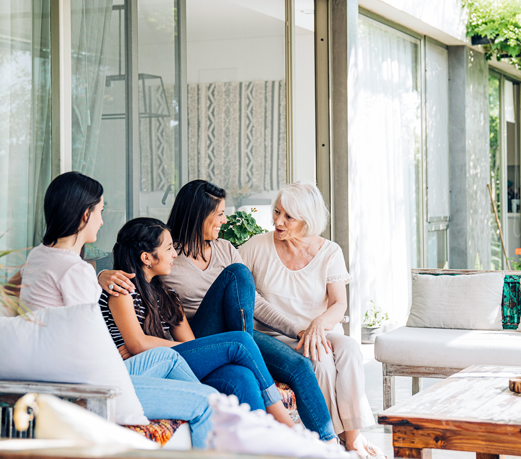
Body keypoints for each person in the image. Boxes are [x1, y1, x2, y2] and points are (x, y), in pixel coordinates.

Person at [19, 171, 215, 448]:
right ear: (85, 215)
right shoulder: (75, 271)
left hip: (55, 377)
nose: (102, 220)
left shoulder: (37, 257)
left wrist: (96, 276)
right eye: (100, 211)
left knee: (174, 362)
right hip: (87, 388)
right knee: (208, 401)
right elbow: (90, 343)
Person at [162, 180, 337, 443]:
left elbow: (256, 303)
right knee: (238, 274)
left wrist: (297, 330)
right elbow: (134, 277)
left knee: (299, 365)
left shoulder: (225, 249)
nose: (224, 219)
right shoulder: (167, 255)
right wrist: (104, 275)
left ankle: (328, 445)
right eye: (219, 213)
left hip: (240, 337)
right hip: (202, 339)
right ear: (200, 214)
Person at [101, 217, 295, 427]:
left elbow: (189, 342)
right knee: (240, 341)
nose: (175, 254)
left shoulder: (168, 295)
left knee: (243, 376)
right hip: (149, 371)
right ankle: (284, 424)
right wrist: (179, 348)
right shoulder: (122, 291)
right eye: (168, 248)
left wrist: (176, 348)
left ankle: (262, 444)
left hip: (177, 365)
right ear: (147, 257)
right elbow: (138, 345)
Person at [238, 182, 385, 459]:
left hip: (319, 331)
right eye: (277, 212)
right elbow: (234, 285)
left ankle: (352, 435)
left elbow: (339, 303)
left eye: (288, 217)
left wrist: (319, 324)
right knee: (321, 359)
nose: (278, 221)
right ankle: (327, 438)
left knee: (351, 348)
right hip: (277, 336)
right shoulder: (257, 246)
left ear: (307, 219)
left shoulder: (329, 251)